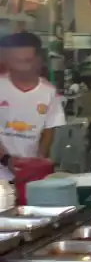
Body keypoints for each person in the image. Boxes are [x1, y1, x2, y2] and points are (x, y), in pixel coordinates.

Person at [0, 32, 65, 180]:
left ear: (37, 61)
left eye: (27, 61)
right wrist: (6, 159)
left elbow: (49, 130)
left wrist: (38, 160)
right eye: (16, 61)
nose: (22, 68)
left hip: (29, 174)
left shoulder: (49, 92)